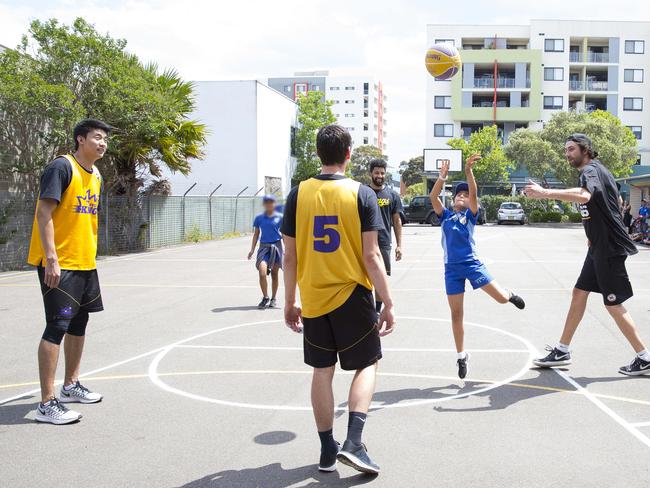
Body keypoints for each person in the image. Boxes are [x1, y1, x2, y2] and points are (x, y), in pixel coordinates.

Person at [282, 124, 395, 475]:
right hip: (351, 294)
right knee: (368, 364)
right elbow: (372, 255)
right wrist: (388, 301)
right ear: (348, 154)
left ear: (318, 154)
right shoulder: (361, 194)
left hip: (313, 297)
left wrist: (289, 301)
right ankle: (355, 442)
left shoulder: (297, 194)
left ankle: (327, 450)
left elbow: (288, 256)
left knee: (322, 370)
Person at [525, 134, 650, 375]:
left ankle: (644, 356)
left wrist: (545, 193)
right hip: (598, 246)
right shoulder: (598, 171)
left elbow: (585, 195)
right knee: (579, 292)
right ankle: (562, 349)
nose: (567, 154)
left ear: (586, 149)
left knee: (613, 304)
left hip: (608, 248)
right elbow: (606, 203)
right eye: (566, 150)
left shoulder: (590, 171)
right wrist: (593, 231)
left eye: (571, 149)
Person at [27, 119, 111, 424]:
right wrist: (51, 257)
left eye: (105, 140)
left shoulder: (97, 174)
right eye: (97, 138)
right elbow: (44, 211)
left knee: (79, 323)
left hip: (84, 262)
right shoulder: (61, 168)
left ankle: (70, 385)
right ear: (80, 139)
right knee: (57, 325)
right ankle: (46, 403)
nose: (102, 144)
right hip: (60, 264)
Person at [430, 155, 525, 379]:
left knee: (501, 299)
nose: (462, 197)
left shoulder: (469, 217)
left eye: (465, 195)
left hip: (472, 265)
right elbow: (433, 195)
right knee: (456, 314)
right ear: (453, 200)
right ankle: (462, 356)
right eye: (459, 195)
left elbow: (473, 193)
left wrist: (468, 172)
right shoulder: (445, 217)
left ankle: (509, 293)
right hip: (451, 270)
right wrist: (442, 177)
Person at [366, 158, 403, 315]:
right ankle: (365, 309)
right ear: (371, 174)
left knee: (381, 279)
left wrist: (399, 245)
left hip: (383, 243)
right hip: (365, 242)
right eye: (376, 172)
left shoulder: (392, 195)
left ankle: (377, 311)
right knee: (364, 278)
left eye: (382, 173)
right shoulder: (363, 192)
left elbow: (396, 220)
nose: (380, 175)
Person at [248, 195, 283, 309]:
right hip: (264, 248)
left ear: (274, 204)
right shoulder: (259, 218)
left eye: (271, 202)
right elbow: (256, 234)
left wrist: (289, 250)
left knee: (274, 274)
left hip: (276, 247)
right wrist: (252, 249)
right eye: (267, 202)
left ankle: (273, 298)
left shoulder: (280, 217)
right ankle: (265, 297)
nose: (269, 204)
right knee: (262, 273)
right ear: (264, 204)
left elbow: (284, 235)